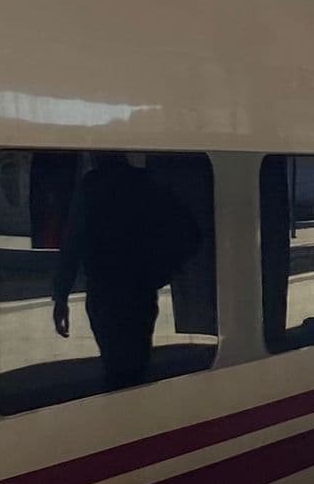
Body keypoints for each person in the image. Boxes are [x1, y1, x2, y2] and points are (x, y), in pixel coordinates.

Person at [52, 155, 202, 392]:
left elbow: (72, 244)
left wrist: (61, 296)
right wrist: (161, 273)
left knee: (114, 365)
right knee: (137, 362)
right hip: (139, 292)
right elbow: (190, 235)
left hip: (104, 292)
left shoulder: (91, 188)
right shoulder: (146, 184)